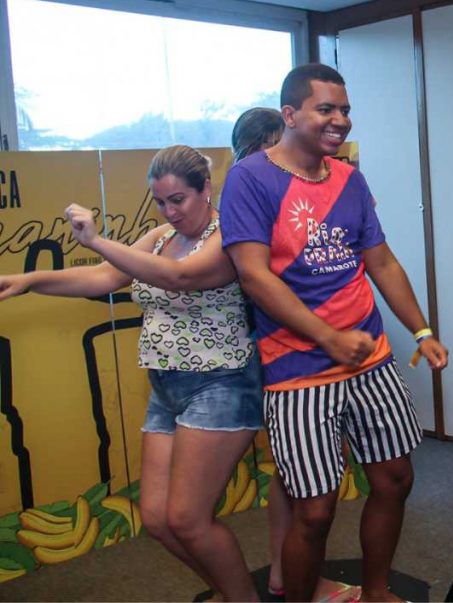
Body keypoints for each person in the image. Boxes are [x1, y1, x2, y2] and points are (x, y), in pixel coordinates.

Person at [219, 63, 449, 603]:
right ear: (291, 114)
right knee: (315, 509)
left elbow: (382, 262)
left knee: (395, 480)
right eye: (326, 109)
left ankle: (375, 592)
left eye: (345, 110)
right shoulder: (251, 178)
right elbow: (254, 275)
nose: (340, 120)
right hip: (297, 369)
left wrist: (422, 329)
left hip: (369, 358)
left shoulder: (348, 178)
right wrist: (326, 337)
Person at [0, 145, 263, 601]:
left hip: (220, 384)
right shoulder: (160, 237)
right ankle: (226, 591)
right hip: (166, 387)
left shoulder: (229, 235)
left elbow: (179, 277)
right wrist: (29, 281)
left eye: (178, 199)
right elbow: (104, 277)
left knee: (188, 518)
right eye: (160, 201)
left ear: (207, 189)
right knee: (158, 520)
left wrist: (98, 240)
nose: (169, 210)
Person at [230, 106, 359, 602]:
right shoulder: (249, 200)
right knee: (299, 479)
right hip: (272, 353)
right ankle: (285, 573)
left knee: (292, 477)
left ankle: (285, 571)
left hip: (299, 346)